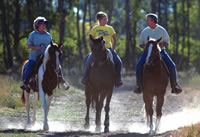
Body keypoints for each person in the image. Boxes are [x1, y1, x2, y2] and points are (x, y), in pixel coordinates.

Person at [134, 13, 182, 94]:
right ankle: (139, 85)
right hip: (147, 52)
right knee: (138, 65)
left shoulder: (162, 30)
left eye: (147, 20)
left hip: (161, 51)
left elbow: (167, 43)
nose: (146, 21)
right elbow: (140, 44)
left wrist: (159, 46)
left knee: (172, 66)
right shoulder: (145, 31)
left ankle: (174, 85)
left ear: (153, 21)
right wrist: (148, 48)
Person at [20, 16, 68, 90]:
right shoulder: (33, 34)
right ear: (37, 25)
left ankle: (62, 81)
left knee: (58, 65)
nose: (44, 25)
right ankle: (25, 82)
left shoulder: (48, 35)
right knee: (30, 65)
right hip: (34, 56)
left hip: (46, 56)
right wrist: (36, 48)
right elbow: (28, 45)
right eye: (42, 24)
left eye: (44, 24)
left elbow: (51, 45)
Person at [81, 11, 123, 87]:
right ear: (99, 20)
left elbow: (114, 39)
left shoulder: (110, 28)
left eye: (106, 19)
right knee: (88, 60)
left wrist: (113, 49)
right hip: (97, 50)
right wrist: (94, 48)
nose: (106, 20)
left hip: (108, 49)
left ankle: (118, 79)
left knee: (119, 62)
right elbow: (90, 39)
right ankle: (85, 77)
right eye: (104, 19)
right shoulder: (95, 28)